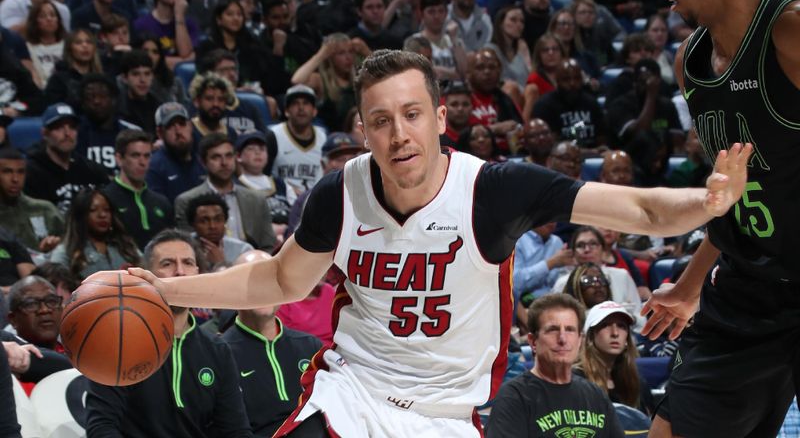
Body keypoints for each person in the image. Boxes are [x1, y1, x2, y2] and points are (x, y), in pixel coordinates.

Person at [121, 48, 752, 437]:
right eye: (381, 120)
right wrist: (166, 289)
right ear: (363, 131)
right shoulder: (340, 194)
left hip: (447, 415)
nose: (399, 133)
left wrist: (708, 201)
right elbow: (282, 281)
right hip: (354, 391)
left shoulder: (494, 191)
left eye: (412, 113)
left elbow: (640, 205)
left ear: (441, 118)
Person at [634, 0, 800, 437]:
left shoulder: (791, 31)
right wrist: (688, 283)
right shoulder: (692, 63)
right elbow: (738, 199)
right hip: (746, 295)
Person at [85, 229, 253, 438]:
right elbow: (101, 428)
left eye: (188, 263)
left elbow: (235, 431)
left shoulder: (217, 350)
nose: (180, 272)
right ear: (145, 275)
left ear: (198, 275)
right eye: (167, 264)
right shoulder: (118, 343)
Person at [485, 293, 624, 437]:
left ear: (580, 340)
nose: (563, 339)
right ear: (533, 342)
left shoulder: (595, 395)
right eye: (552, 330)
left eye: (570, 330)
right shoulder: (514, 397)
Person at [222, 249, 324, 436]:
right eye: (251, 279)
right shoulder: (220, 354)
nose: (262, 288)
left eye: (269, 279)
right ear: (233, 290)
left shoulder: (311, 346)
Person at [174, 133, 276, 251]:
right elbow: (187, 248)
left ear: (235, 158)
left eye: (228, 156)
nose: (224, 163)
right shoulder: (187, 200)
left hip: (252, 265)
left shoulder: (257, 199)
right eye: (216, 157)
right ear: (203, 162)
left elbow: (268, 246)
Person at [23, 103, 109, 214]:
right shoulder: (31, 173)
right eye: (59, 127)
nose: (67, 133)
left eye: (72, 127)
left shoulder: (92, 170)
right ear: (45, 133)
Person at [574, 301, 654, 415]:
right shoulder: (576, 381)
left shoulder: (637, 382)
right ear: (590, 336)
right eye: (605, 325)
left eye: (621, 326)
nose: (615, 333)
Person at [102, 129, 173, 250]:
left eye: (147, 156)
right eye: (135, 155)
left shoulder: (162, 202)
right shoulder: (105, 199)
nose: (142, 162)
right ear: (119, 158)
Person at [50, 189, 142, 280]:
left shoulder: (126, 246)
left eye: (107, 210)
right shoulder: (65, 252)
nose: (102, 215)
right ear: (80, 216)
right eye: (93, 210)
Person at [0, 147, 64, 253]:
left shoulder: (44, 209)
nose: (15, 179)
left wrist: (56, 244)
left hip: (47, 266)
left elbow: (70, 242)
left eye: (21, 172)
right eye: (7, 172)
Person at [269, 85, 328, 196]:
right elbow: (264, 176)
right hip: (283, 200)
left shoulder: (324, 137)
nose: (301, 108)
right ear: (286, 111)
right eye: (295, 103)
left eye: (306, 103)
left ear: (315, 111)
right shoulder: (274, 136)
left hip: (316, 201)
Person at [147, 103, 206, 203]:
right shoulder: (154, 167)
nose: (178, 131)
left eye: (182, 124)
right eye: (170, 126)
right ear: (160, 133)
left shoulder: (203, 161)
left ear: (190, 126)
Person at [186, 192, 252, 270]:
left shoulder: (243, 250)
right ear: (192, 224)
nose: (212, 226)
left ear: (225, 221)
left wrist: (221, 263)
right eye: (204, 221)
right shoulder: (182, 247)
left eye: (218, 219)